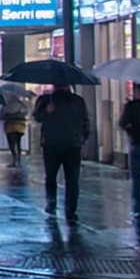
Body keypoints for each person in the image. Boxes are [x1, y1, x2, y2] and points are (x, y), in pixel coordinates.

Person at [32, 82, 92, 222]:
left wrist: (46, 112)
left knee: (51, 176)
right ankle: (70, 210)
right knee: (71, 179)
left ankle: (52, 204)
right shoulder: (77, 101)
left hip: (53, 144)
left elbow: (37, 117)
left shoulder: (46, 100)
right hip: (71, 144)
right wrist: (82, 138)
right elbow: (86, 122)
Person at [120, 82, 140, 227]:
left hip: (136, 146)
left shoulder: (131, 106)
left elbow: (122, 123)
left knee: (137, 181)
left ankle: (137, 210)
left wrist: (131, 132)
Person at [2, 92, 28, 164]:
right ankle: (19, 158)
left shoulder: (6, 105)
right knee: (18, 143)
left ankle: (14, 158)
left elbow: (2, 115)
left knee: (11, 144)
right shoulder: (21, 104)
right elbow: (26, 112)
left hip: (10, 127)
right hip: (20, 127)